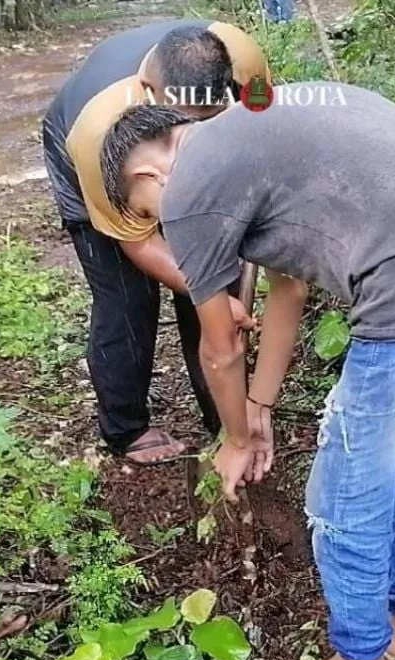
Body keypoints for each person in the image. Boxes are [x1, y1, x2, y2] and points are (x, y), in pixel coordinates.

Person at [99, 82, 395, 660]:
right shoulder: (257, 132)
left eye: (148, 209)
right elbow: (290, 289)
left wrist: (233, 439)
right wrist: (259, 408)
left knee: (344, 496)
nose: (162, 225)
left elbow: (219, 347)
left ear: (148, 171)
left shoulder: (192, 184)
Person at [41, 21, 271, 465]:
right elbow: (138, 242)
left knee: (215, 281)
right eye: (182, 129)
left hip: (157, 155)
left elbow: (263, 125)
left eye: (202, 128)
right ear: (152, 94)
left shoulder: (241, 57)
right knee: (127, 296)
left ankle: (221, 417)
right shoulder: (95, 132)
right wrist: (211, 294)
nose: (191, 150)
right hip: (89, 161)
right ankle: (126, 427)